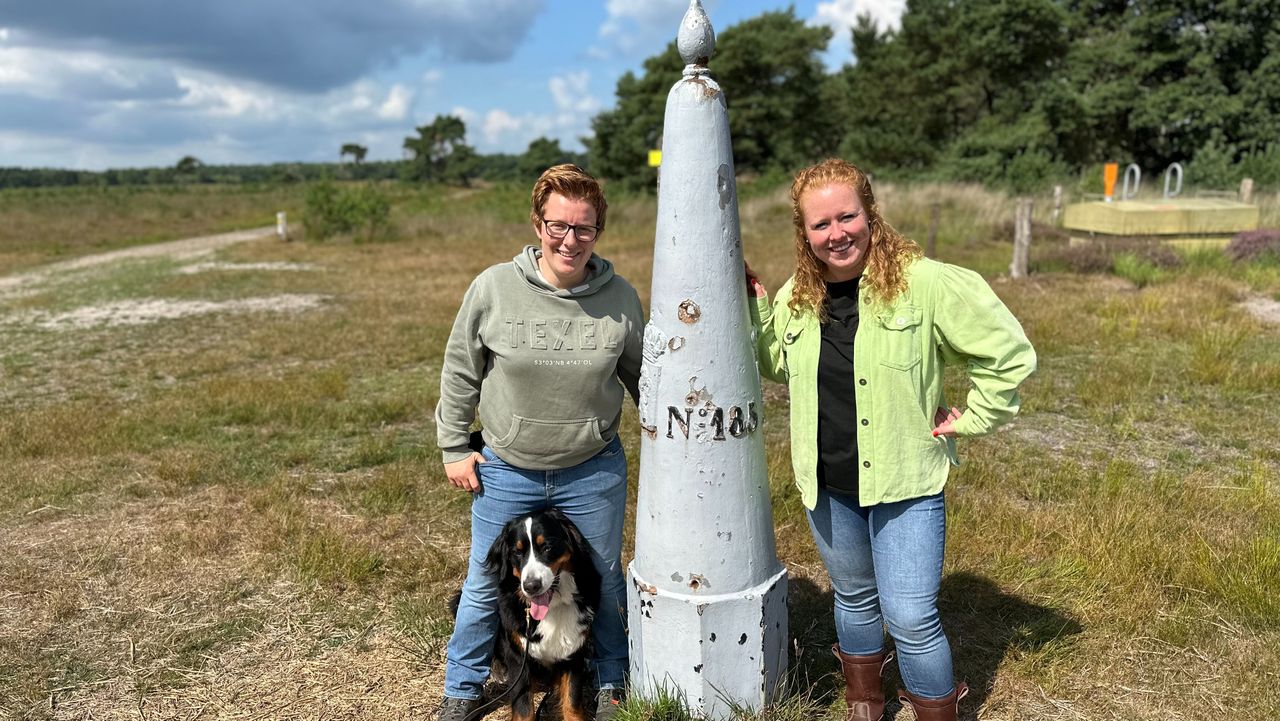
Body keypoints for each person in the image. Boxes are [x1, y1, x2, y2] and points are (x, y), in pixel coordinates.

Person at [745, 159, 1036, 721]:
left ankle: (934, 711)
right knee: (853, 598)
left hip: (906, 480)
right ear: (804, 234)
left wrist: (973, 417)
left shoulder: (923, 283)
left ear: (870, 213)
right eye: (820, 224)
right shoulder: (799, 296)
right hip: (829, 483)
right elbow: (777, 363)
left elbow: (1008, 353)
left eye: (847, 216)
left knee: (909, 616)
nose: (837, 234)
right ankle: (865, 703)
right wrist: (759, 304)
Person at [434, 164, 643, 721]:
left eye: (584, 228)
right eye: (558, 226)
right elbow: (461, 370)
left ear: (598, 230)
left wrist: (677, 437)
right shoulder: (494, 288)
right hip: (507, 467)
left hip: (591, 468)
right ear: (537, 223)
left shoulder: (619, 298)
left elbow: (644, 375)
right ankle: (462, 686)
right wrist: (455, 446)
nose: (570, 240)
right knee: (487, 581)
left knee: (603, 581)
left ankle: (614, 683)